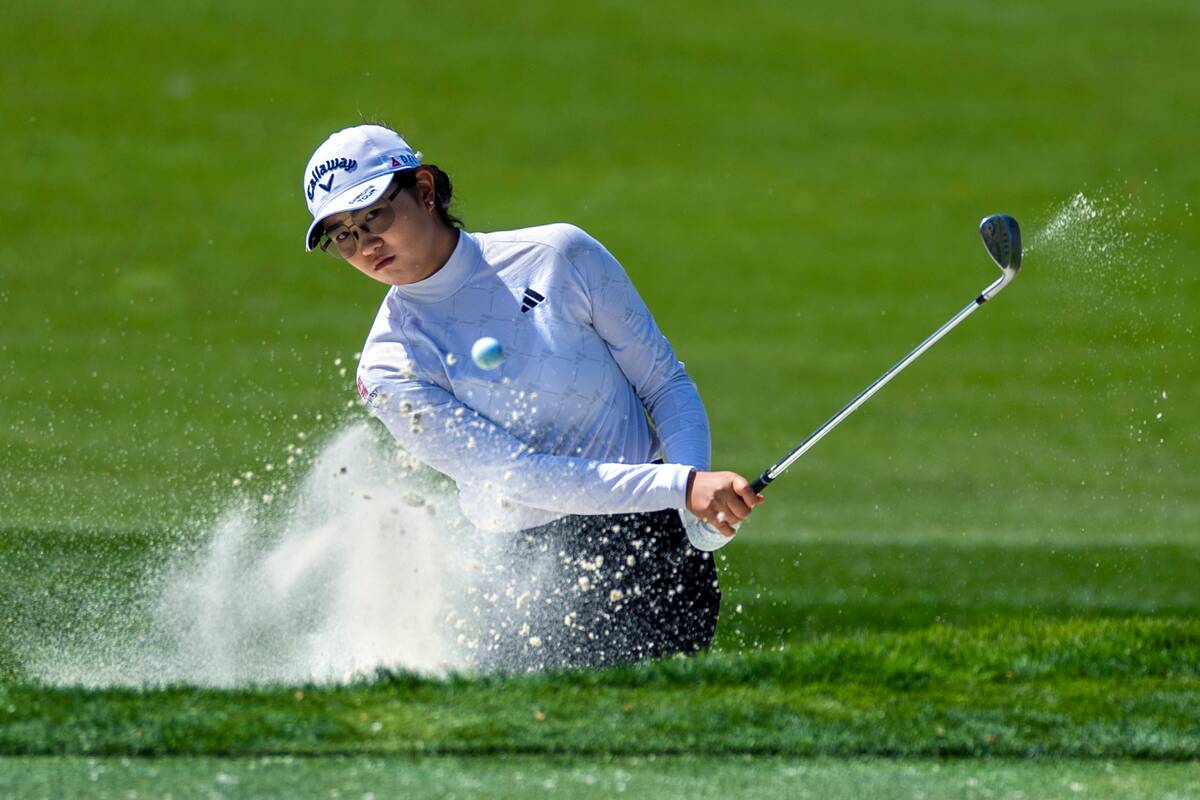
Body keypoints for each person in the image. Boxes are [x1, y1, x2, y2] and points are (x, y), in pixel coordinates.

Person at [301, 124, 763, 670]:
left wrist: (690, 512)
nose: (364, 244)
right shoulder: (388, 365)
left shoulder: (559, 255)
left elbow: (663, 381)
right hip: (526, 572)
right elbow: (516, 475)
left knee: (657, 739)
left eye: (373, 215)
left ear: (424, 190)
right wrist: (683, 486)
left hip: (654, 535)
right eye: (343, 236)